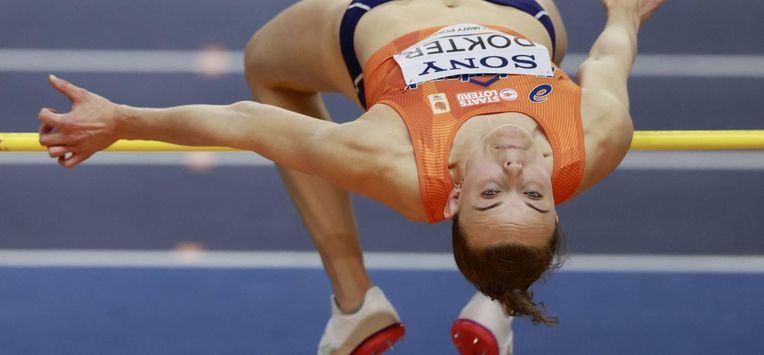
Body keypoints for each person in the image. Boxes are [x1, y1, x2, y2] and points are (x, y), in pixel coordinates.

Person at [37, 0, 664, 353]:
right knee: (507, 245)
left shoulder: (394, 157)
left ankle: (355, 298)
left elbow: (246, 123)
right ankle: (496, 294)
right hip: (518, 8)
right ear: (557, 195)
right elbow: (611, 56)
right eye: (533, 192)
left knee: (266, 65)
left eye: (491, 192)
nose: (513, 164)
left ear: (451, 199)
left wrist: (124, 119)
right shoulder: (595, 138)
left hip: (382, 11)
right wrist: (624, 13)